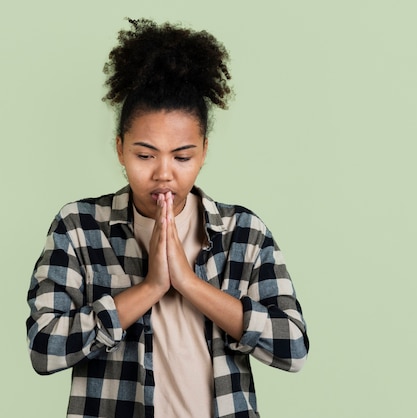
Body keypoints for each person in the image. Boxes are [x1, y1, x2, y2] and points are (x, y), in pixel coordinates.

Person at [26, 18, 308, 418]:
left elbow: (293, 347)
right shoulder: (79, 227)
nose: (163, 172)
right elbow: (44, 348)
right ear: (120, 148)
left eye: (182, 156)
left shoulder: (243, 233)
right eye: (145, 155)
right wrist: (151, 287)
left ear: (204, 151)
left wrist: (189, 283)